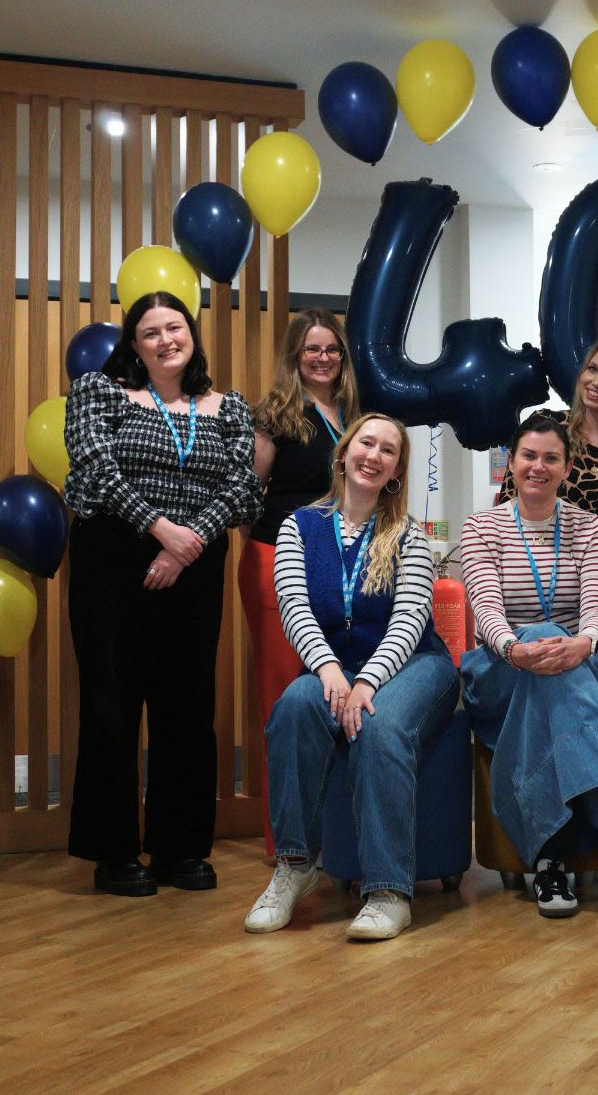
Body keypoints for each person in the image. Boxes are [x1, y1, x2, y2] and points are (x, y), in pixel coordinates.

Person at [63, 292, 262, 897]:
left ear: (192, 335)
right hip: (113, 562)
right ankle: (114, 853)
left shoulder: (230, 408)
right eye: (149, 332)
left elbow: (245, 489)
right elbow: (93, 467)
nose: (164, 339)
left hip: (194, 568)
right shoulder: (100, 392)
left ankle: (181, 850)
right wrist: (160, 529)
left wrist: (190, 540)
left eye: (174, 327)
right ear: (134, 344)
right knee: (111, 708)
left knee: (187, 709)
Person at [460, 411, 598, 919]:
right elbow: (488, 609)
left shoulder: (590, 530)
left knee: (551, 668)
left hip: (581, 668)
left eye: (551, 458)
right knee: (541, 634)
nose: (538, 466)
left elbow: (597, 610)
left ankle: (549, 864)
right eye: (528, 456)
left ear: (566, 468)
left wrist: (581, 645)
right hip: (501, 670)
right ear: (510, 465)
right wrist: (521, 649)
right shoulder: (482, 528)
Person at [243, 414, 458, 941]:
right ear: (343, 453)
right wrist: (331, 671)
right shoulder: (298, 525)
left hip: (414, 665)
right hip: (333, 666)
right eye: (367, 442)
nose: (374, 455)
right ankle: (295, 864)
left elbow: (409, 619)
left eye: (388, 451)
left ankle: (388, 892)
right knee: (293, 708)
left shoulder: (408, 534)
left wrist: (365, 684)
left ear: (395, 472)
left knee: (380, 727)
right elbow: (294, 607)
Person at [239, 309, 359, 853]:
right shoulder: (275, 415)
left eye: (331, 348)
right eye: (312, 349)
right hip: (274, 561)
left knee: (328, 691)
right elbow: (247, 497)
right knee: (283, 698)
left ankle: (328, 830)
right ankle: (284, 841)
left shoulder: (355, 414)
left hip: (338, 564)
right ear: (295, 354)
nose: (322, 358)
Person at [499, 336, 598, 675]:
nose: (597, 382)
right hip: (527, 592)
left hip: (594, 595)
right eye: (592, 369)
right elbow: (507, 508)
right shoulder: (546, 424)